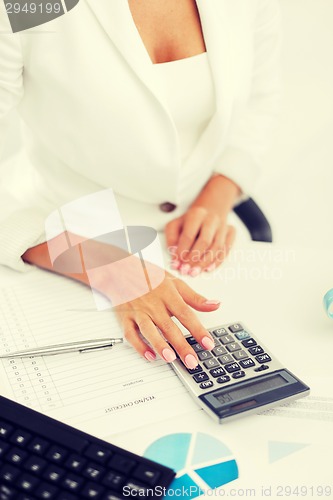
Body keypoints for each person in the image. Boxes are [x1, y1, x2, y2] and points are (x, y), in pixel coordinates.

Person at [0, 0, 281, 368]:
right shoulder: (26, 4)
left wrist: (218, 193)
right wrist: (112, 269)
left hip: (193, 246)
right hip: (59, 243)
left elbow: (259, 104)